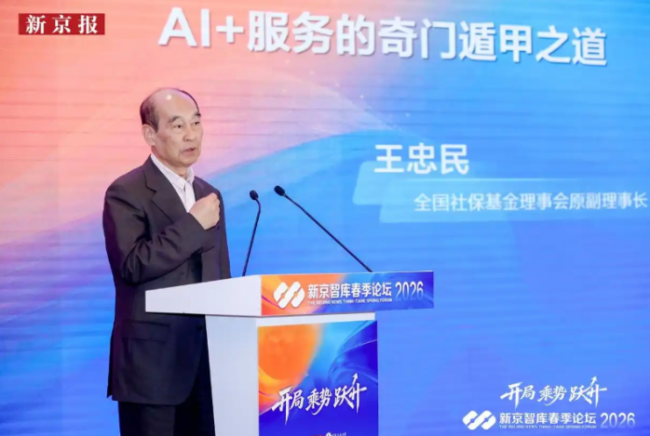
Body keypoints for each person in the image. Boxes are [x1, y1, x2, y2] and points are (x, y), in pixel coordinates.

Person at [102, 88, 231, 436]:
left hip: (208, 367)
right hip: (152, 369)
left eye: (196, 123)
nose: (191, 134)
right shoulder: (126, 192)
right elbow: (132, 265)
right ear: (150, 134)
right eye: (177, 126)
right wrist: (193, 224)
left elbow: (219, 275)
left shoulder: (209, 194)